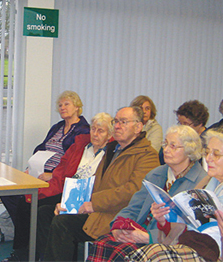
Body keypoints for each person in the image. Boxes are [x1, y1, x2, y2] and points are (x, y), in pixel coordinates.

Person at [127, 128, 223, 261]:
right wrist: (163, 222)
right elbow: (186, 229)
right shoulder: (206, 182)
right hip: (193, 250)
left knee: (151, 257)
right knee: (137, 256)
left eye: (216, 154)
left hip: (218, 257)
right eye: (207, 152)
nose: (208, 159)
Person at [39, 106, 159, 261]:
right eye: (116, 121)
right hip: (98, 210)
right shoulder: (113, 149)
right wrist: (70, 204)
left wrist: (93, 203)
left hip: (116, 214)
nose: (117, 126)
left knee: (63, 223)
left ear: (138, 127)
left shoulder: (147, 156)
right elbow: (93, 182)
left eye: (123, 122)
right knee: (45, 213)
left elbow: (133, 191)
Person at [87, 125, 207, 261]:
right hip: (139, 230)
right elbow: (134, 206)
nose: (166, 150)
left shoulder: (200, 182)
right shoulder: (157, 173)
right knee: (102, 243)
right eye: (165, 144)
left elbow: (192, 230)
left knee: (123, 254)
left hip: (165, 242)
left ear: (189, 150)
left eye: (173, 146)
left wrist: (149, 237)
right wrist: (117, 225)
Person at [3, 113, 113, 261]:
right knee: (28, 203)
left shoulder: (110, 154)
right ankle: (29, 254)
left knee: (45, 213)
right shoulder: (81, 146)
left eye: (101, 131)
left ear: (109, 134)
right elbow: (62, 168)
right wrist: (52, 180)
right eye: (93, 129)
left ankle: (34, 255)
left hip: (87, 197)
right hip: (65, 188)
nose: (95, 134)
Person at [1, 91, 89, 229]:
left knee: (22, 199)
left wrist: (53, 174)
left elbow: (74, 163)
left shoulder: (83, 131)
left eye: (67, 104)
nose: (62, 108)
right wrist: (31, 169)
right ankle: (24, 229)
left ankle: (26, 235)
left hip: (57, 177)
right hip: (40, 171)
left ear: (77, 107)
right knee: (7, 192)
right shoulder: (57, 127)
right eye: (60, 105)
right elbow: (42, 148)